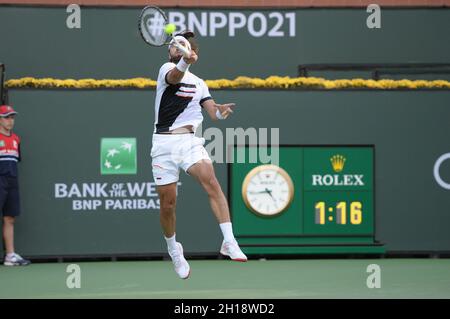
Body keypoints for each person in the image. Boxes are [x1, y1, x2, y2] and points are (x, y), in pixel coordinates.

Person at [151, 31, 247, 279]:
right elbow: (175, 77)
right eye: (174, 45)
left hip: (189, 142)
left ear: (193, 51)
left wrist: (221, 112)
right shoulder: (166, 70)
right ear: (171, 52)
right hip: (163, 144)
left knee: (210, 180)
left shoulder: (200, 83)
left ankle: (229, 240)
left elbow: (212, 114)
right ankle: (174, 249)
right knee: (167, 205)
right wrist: (185, 61)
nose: (176, 47)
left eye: (182, 44)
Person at [0, 105, 30, 266]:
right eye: (6, 117)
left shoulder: (16, 139)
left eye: (12, 117)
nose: (10, 121)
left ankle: (10, 256)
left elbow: (15, 160)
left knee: (10, 218)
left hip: (12, 181)